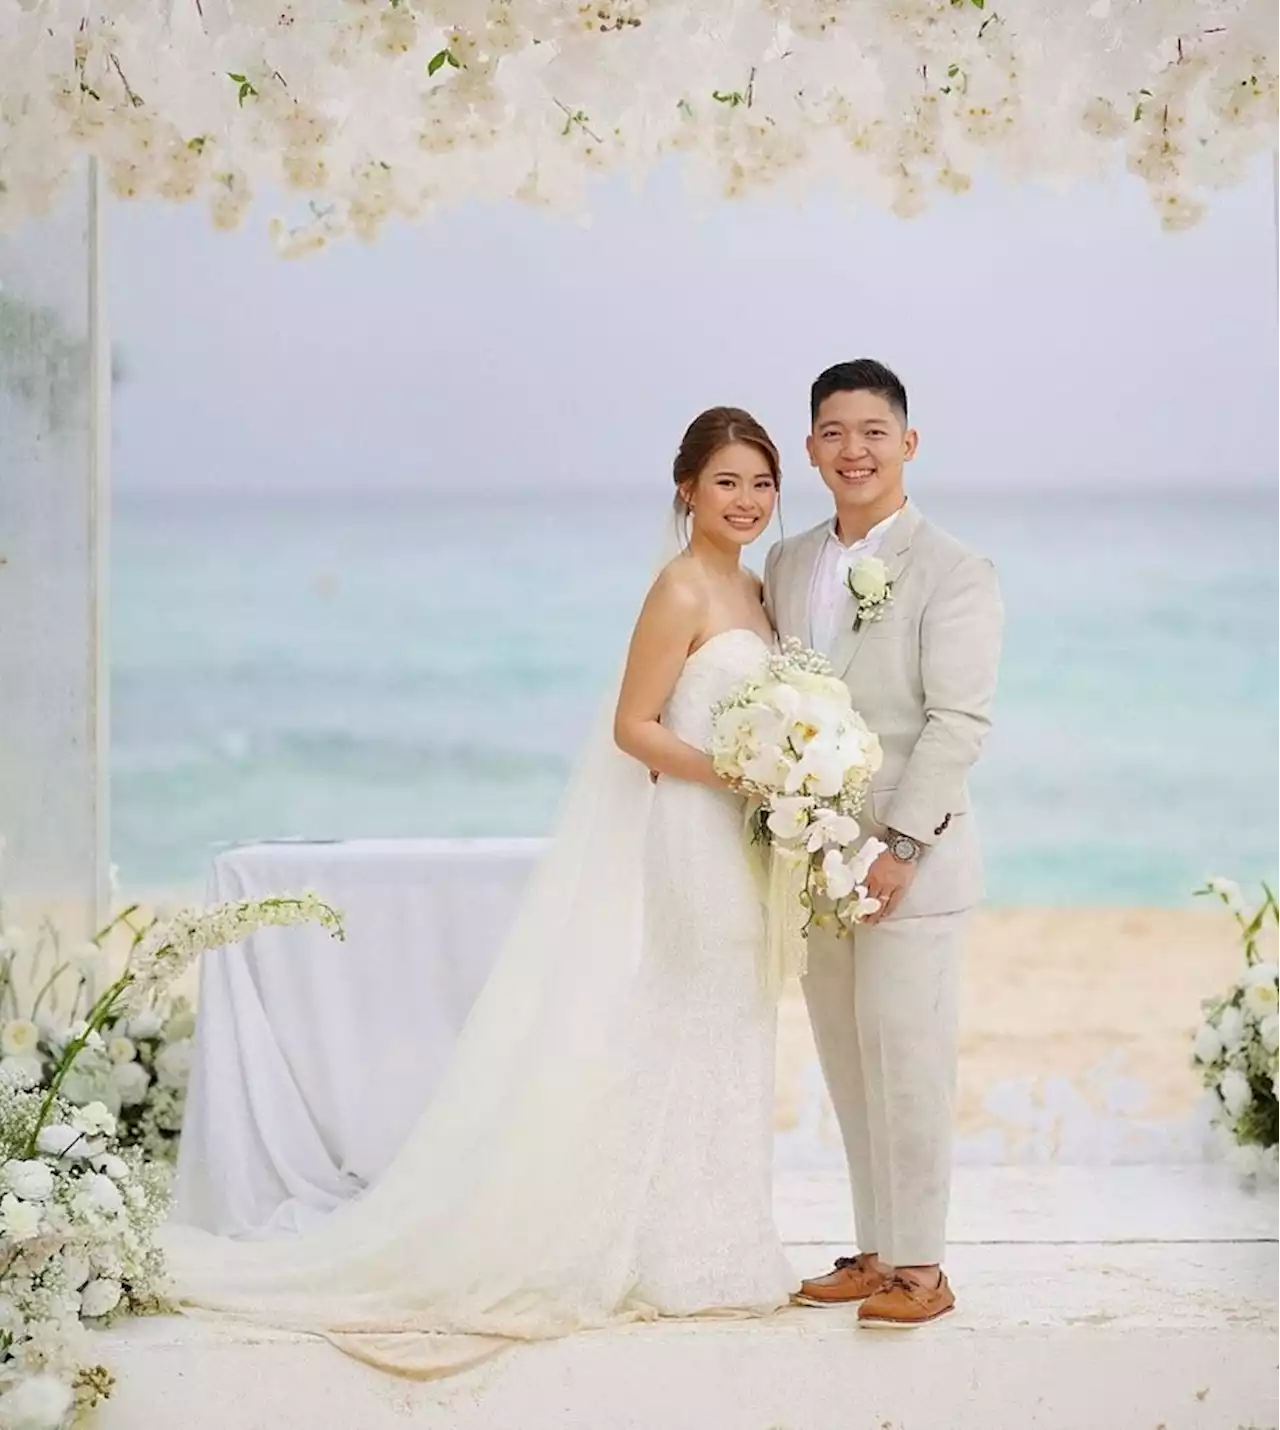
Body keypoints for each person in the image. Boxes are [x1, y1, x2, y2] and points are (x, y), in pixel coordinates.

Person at [162, 406, 799, 1379]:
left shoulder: (754, 589)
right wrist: (737, 769)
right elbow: (634, 726)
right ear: (685, 489)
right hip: (692, 830)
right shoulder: (677, 589)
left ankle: (712, 1237)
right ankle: (659, 1244)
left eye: (759, 482)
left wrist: (788, 765)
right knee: (687, 1005)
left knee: (729, 1015)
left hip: (741, 838)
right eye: (725, 481)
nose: (745, 499)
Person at [764, 359, 1004, 1327]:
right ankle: (872, 1248)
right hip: (813, 858)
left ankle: (923, 1266)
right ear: (810, 446)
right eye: (831, 431)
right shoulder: (783, 564)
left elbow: (956, 722)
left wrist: (898, 845)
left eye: (871, 430)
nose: (851, 449)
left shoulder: (955, 569)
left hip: (913, 860)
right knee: (848, 1062)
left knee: (907, 1062)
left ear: (906, 443)